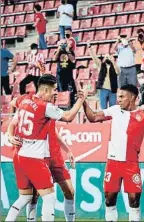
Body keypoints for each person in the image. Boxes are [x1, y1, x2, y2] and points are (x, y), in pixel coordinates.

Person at [5, 74, 87, 221]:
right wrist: (81, 99)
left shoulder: (24, 99)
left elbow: (13, 102)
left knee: (25, 197)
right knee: (48, 198)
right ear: (46, 90)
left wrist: (67, 150)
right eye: (54, 90)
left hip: (23, 154)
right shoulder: (45, 107)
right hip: (35, 157)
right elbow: (68, 117)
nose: (55, 93)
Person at [82, 84, 144, 221]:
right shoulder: (115, 110)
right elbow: (93, 117)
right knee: (109, 200)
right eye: (118, 97)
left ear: (132, 97)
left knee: (134, 201)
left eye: (122, 97)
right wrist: (83, 101)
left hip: (131, 164)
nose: (119, 100)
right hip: (113, 163)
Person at [7, 116, 76, 222]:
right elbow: (12, 123)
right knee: (33, 196)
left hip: (55, 157)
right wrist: (10, 136)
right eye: (52, 97)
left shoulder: (50, 108)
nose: (54, 98)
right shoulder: (30, 105)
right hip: (37, 157)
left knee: (70, 191)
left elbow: (54, 131)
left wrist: (68, 150)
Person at [88, 41, 120, 109]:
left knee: (113, 109)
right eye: (106, 57)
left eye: (108, 57)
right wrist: (90, 48)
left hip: (112, 90)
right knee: (103, 109)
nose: (107, 58)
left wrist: (113, 62)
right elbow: (94, 58)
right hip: (103, 89)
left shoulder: (114, 66)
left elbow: (118, 72)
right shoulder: (101, 65)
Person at [53, 39, 76, 106]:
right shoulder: (57, 51)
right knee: (61, 91)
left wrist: (68, 51)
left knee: (70, 90)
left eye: (64, 43)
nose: (63, 45)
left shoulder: (70, 51)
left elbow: (73, 60)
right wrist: (58, 50)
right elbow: (54, 59)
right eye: (62, 44)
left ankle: (71, 104)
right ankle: (62, 105)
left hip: (68, 74)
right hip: (60, 75)